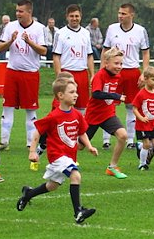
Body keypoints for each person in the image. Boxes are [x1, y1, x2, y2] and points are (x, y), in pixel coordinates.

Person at [17, 76, 99, 225]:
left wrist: (89, 146)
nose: (76, 95)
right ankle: (78, 211)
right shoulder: (53, 116)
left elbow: (82, 132)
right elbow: (37, 132)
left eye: (76, 92)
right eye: (72, 92)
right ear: (60, 95)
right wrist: (32, 151)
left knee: (52, 185)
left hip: (69, 156)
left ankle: (28, 194)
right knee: (76, 175)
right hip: (57, 156)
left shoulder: (77, 115)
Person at [0, 0, 47, 149]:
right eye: (17, 11)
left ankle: (30, 142)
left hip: (30, 73)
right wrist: (10, 41)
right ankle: (4, 141)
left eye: (21, 11)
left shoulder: (39, 28)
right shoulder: (10, 26)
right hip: (12, 71)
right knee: (7, 106)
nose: (18, 14)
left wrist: (29, 42)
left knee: (31, 110)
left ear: (29, 12)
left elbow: (44, 51)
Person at [103, 3, 150, 146]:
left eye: (123, 14)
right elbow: (105, 50)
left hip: (132, 71)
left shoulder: (140, 30)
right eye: (119, 13)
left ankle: (130, 139)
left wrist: (144, 73)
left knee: (131, 106)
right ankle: (106, 140)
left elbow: (145, 52)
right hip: (113, 72)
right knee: (108, 104)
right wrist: (102, 69)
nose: (120, 16)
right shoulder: (112, 29)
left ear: (131, 15)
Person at [84, 47, 130, 179]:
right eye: (116, 63)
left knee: (123, 136)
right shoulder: (100, 75)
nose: (119, 66)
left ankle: (112, 167)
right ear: (106, 63)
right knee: (80, 146)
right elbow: (96, 94)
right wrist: (116, 96)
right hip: (93, 115)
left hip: (108, 114)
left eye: (121, 63)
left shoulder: (118, 76)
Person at [52, 4, 95, 112]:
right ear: (67, 17)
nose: (74, 18)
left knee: (82, 107)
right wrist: (59, 76)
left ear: (80, 16)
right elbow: (56, 56)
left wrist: (92, 75)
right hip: (67, 73)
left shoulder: (86, 33)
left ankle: (80, 128)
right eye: (72, 16)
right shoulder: (60, 33)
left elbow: (89, 55)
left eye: (77, 16)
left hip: (82, 73)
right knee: (62, 106)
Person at [131, 66, 154, 170]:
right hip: (142, 125)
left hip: (152, 125)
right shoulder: (141, 94)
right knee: (147, 144)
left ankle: (139, 147)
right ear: (145, 79)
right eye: (153, 80)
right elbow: (134, 108)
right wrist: (141, 118)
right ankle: (142, 164)